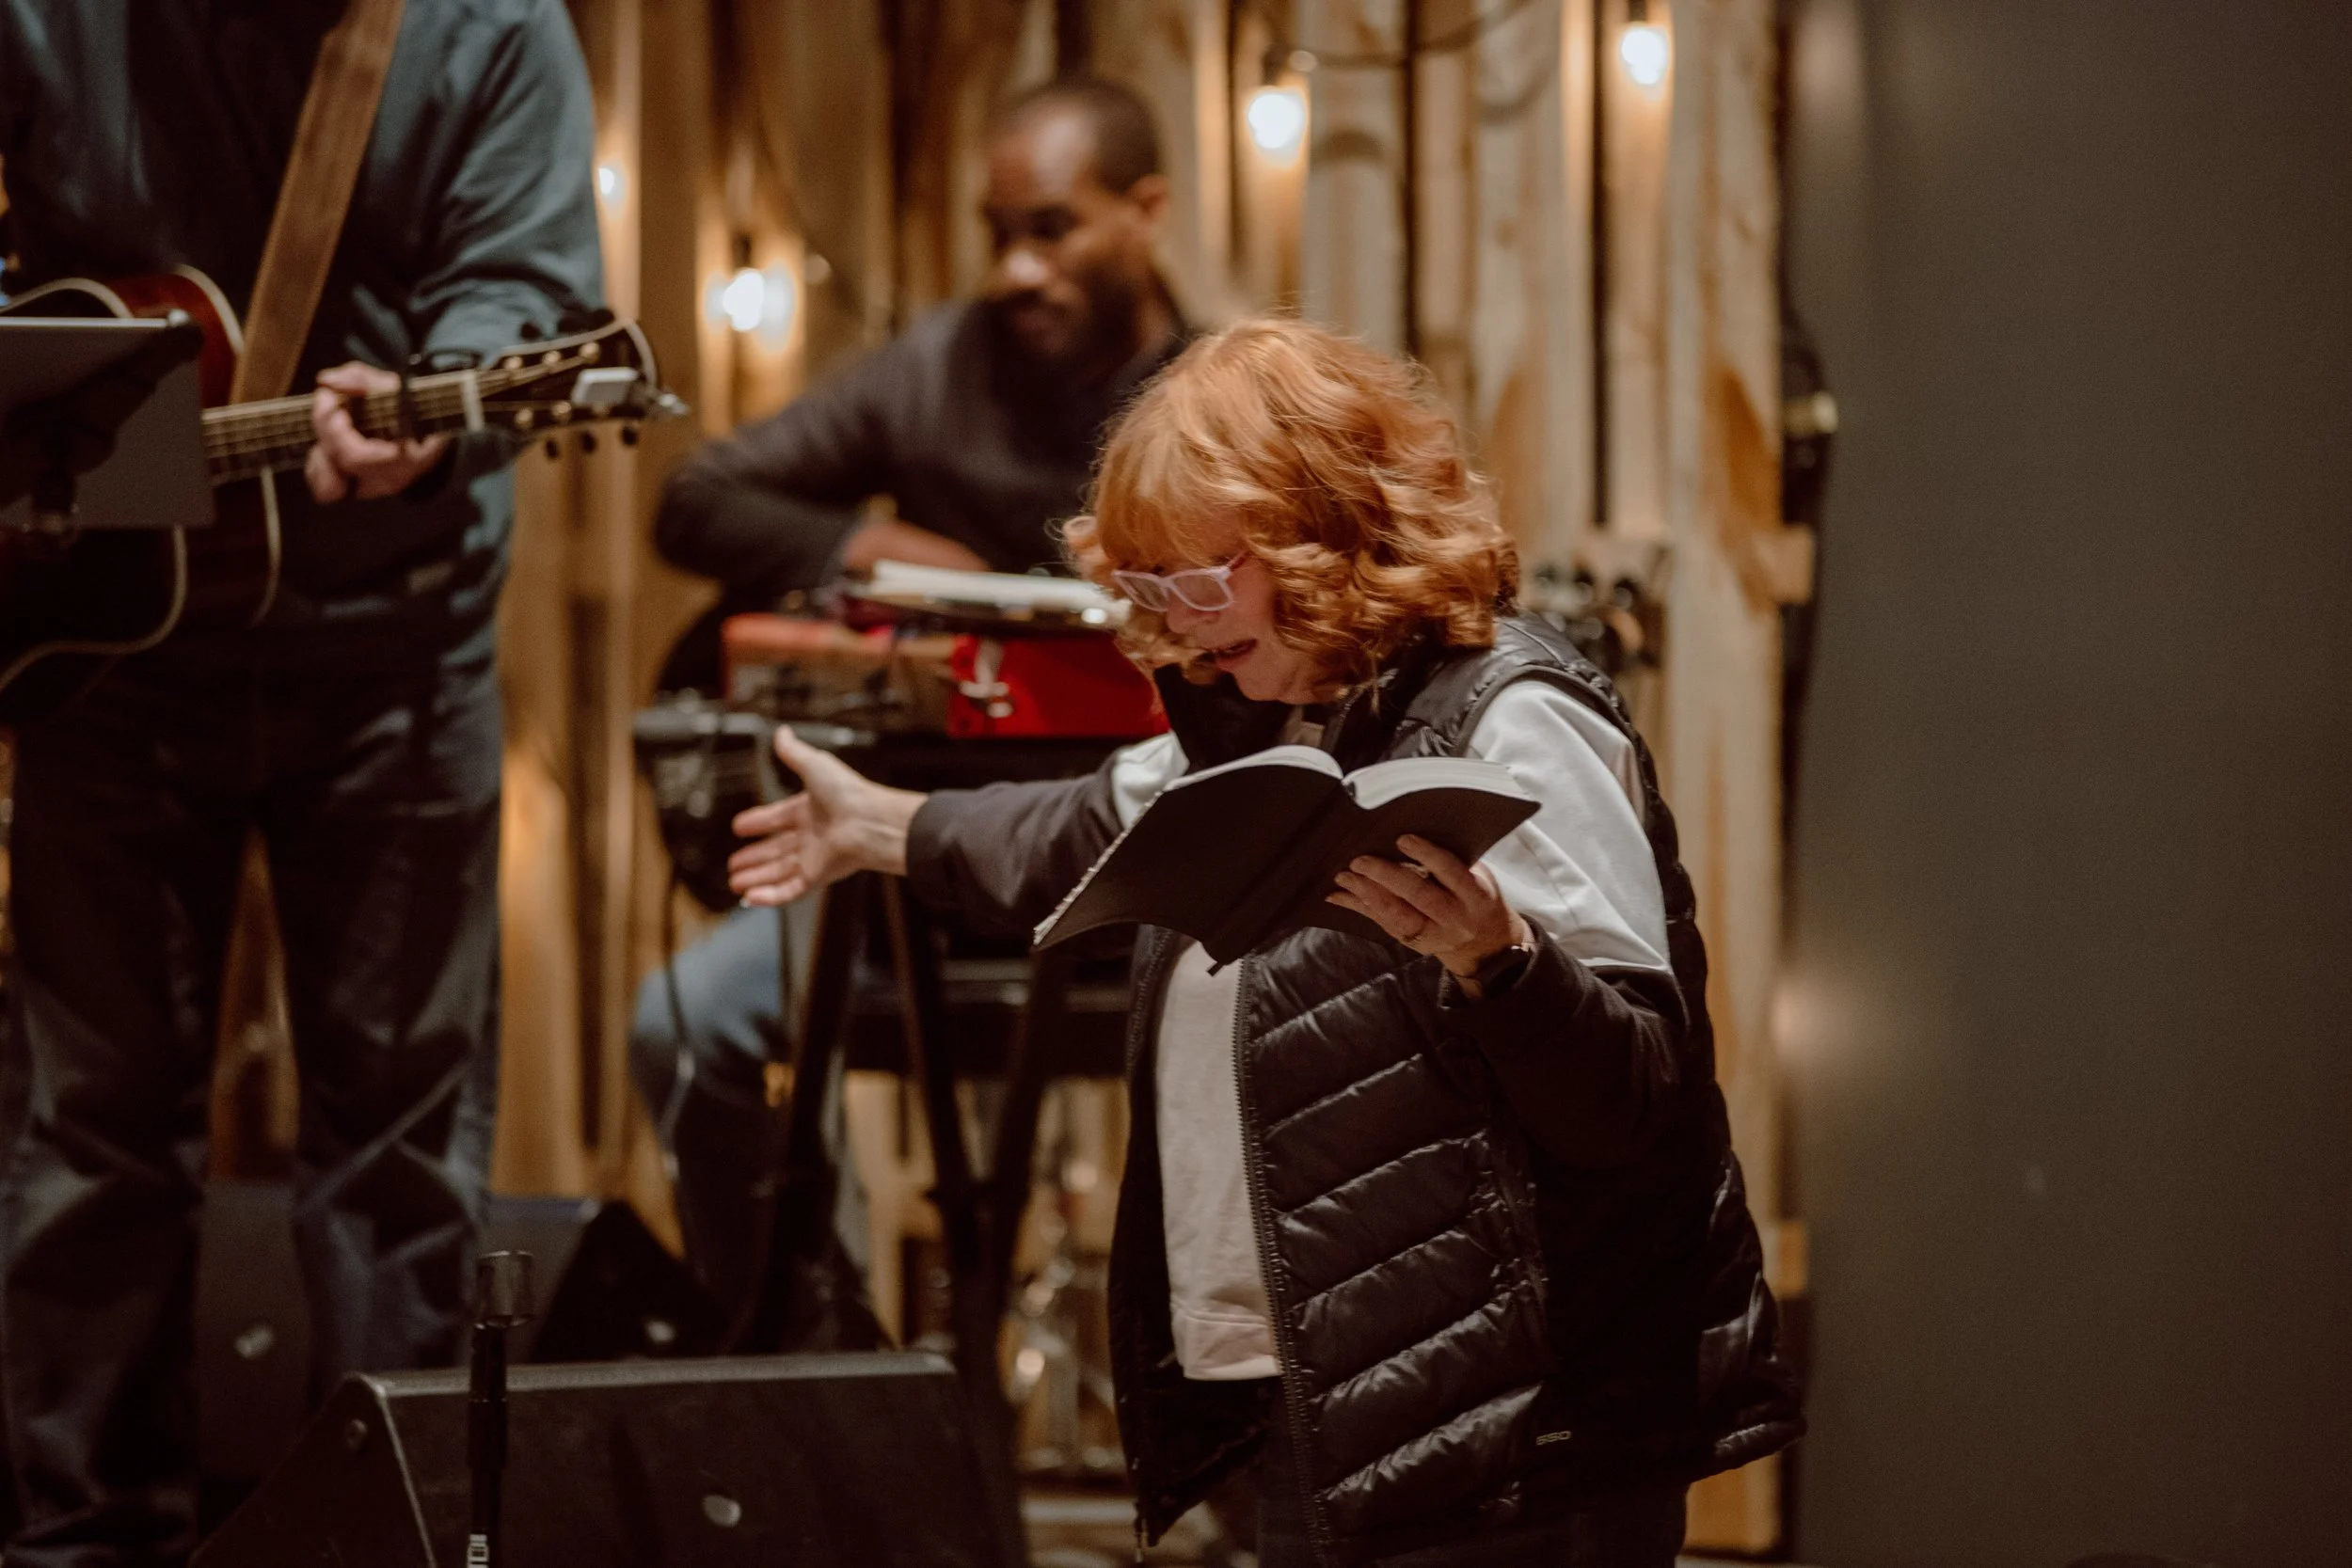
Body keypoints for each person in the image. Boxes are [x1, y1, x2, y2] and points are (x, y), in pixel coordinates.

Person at [728, 318, 1804, 1566]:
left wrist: (1501, 961)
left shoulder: (1511, 719)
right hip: (1335, 1392)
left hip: (1520, 1429)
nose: (1178, 624)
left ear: (1324, 528)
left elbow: (1637, 1100)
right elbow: (1076, 826)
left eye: (1200, 578)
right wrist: (880, 826)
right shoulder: (1263, 717)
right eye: (1149, 587)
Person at [0, 2, 602, 1560]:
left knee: (394, 1146)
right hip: (99, 648)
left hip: (394, 644)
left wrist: (433, 403)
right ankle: (81, 1540)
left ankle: (382, 1537)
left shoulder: (485, 25)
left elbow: (529, 288)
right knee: (89, 1134)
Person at [631, 73, 1188, 1331]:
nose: (1017, 268)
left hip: (1133, 889)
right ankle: (836, 1376)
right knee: (684, 1029)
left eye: (1053, 229)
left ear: (1146, 213)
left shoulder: (1207, 399)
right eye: (1000, 232)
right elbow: (695, 498)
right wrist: (869, 549)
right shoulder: (938, 367)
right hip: (901, 882)